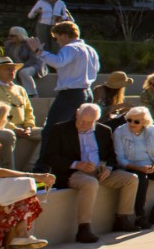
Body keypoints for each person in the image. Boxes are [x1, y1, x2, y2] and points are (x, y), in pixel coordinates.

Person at [43, 102, 140, 241]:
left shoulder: (104, 131)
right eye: (82, 121)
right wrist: (77, 164)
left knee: (131, 179)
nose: (84, 125)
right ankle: (84, 228)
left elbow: (112, 156)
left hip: (99, 171)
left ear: (96, 120)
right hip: (73, 173)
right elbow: (49, 157)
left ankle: (122, 219)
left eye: (90, 122)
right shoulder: (60, 130)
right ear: (77, 114)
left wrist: (109, 168)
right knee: (90, 183)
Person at [0, 102, 52, 249]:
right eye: (7, 117)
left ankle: (13, 247)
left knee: (22, 193)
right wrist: (34, 175)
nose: (7, 120)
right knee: (24, 186)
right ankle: (16, 243)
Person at [27, 21, 100, 130]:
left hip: (71, 95)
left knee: (52, 129)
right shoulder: (90, 50)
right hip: (87, 93)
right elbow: (97, 69)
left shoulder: (70, 48)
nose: (56, 42)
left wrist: (39, 51)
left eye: (56, 38)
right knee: (76, 131)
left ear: (64, 35)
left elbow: (58, 62)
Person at [0, 57, 42, 169]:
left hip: (23, 127)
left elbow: (29, 111)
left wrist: (29, 126)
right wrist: (13, 128)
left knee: (48, 133)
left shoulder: (21, 89)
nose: (12, 71)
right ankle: (9, 171)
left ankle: (31, 167)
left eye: (13, 69)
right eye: (8, 69)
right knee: (8, 135)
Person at [4, 27, 44, 97]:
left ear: (19, 35)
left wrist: (20, 67)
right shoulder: (9, 45)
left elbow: (33, 59)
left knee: (24, 72)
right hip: (16, 66)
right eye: (9, 35)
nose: (9, 37)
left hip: (33, 65)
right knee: (9, 72)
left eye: (12, 36)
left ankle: (32, 94)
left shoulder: (29, 43)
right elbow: (7, 57)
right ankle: (15, 94)